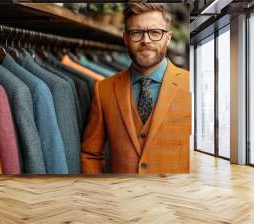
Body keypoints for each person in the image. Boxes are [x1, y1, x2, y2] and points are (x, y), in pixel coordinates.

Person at [81, 2, 191, 174]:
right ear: (125, 38)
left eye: (155, 32)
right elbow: (91, 154)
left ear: (168, 37)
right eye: (136, 33)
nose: (146, 40)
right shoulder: (103, 89)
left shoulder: (192, 86)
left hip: (175, 198)